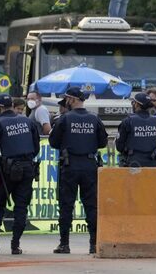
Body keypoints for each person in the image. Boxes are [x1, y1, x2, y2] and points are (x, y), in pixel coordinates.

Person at [49, 87, 108, 254]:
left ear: (72, 99)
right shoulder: (94, 118)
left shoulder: (65, 119)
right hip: (90, 165)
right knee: (91, 205)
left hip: (70, 166)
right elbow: (102, 142)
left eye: (66, 98)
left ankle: (64, 244)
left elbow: (53, 142)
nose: (65, 101)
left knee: (66, 205)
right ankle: (93, 244)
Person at [0, 94, 40, 255]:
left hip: (6, 170)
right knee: (21, 207)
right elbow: (36, 148)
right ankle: (15, 245)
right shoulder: (28, 122)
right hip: (28, 167)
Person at [116, 93, 156, 167]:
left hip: (133, 163)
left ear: (137, 104)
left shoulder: (128, 121)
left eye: (134, 102)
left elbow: (119, 146)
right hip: (152, 163)